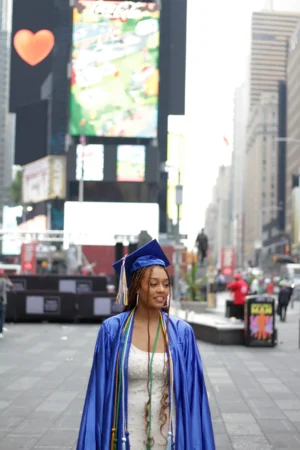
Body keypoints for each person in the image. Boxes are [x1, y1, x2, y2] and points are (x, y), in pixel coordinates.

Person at [77, 239, 215, 450]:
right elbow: (98, 394)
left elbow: (194, 397)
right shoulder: (112, 331)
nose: (162, 290)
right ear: (136, 286)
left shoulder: (182, 333)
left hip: (169, 434)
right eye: (153, 284)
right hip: (124, 432)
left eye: (166, 284)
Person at [0, 270, 13, 338]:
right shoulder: (5, 280)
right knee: (2, 316)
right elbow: (11, 285)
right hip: (3, 300)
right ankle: (0, 331)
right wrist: (7, 278)